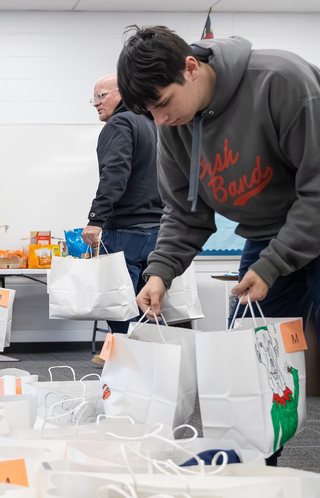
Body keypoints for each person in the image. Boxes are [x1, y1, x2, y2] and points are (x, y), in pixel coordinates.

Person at [117, 25, 320, 465]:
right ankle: (251, 476)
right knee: (249, 363)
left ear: (191, 68)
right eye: (150, 112)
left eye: (163, 103)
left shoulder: (281, 81)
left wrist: (271, 265)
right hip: (267, 236)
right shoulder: (174, 125)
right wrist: (160, 272)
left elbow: (317, 191)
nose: (159, 120)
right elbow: (183, 213)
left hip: (311, 223)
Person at [81, 74, 162, 346]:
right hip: (156, 232)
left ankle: (125, 367)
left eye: (101, 95)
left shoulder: (120, 123)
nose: (96, 103)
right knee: (149, 308)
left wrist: (96, 218)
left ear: (123, 92)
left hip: (126, 233)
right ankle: (151, 366)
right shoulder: (152, 124)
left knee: (120, 312)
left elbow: (114, 174)